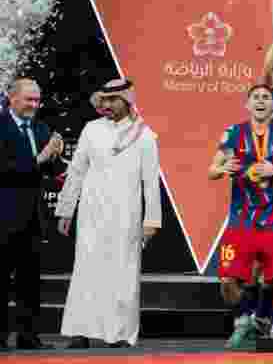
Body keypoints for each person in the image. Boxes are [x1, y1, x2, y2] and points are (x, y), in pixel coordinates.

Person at [55, 79, 161, 348]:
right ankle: (79, 332)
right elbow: (77, 171)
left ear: (126, 101)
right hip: (91, 212)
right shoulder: (91, 129)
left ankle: (120, 334)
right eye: (103, 100)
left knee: (122, 274)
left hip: (126, 215)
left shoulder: (144, 135)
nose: (106, 105)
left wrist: (151, 221)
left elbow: (150, 183)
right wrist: (66, 210)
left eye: (112, 100)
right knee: (86, 271)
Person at [208, 84, 273, 348]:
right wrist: (223, 166)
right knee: (228, 281)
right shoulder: (234, 133)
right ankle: (243, 322)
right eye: (256, 98)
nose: (261, 101)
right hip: (242, 221)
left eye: (266, 98)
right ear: (247, 104)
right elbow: (212, 170)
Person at [0, 78, 63, 350]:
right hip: (3, 217)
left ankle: (29, 337)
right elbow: (5, 169)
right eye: (29, 100)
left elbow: (47, 170)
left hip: (33, 219)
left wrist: (56, 158)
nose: (34, 105)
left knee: (30, 283)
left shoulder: (41, 128)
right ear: (11, 98)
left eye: (37, 100)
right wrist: (40, 157)